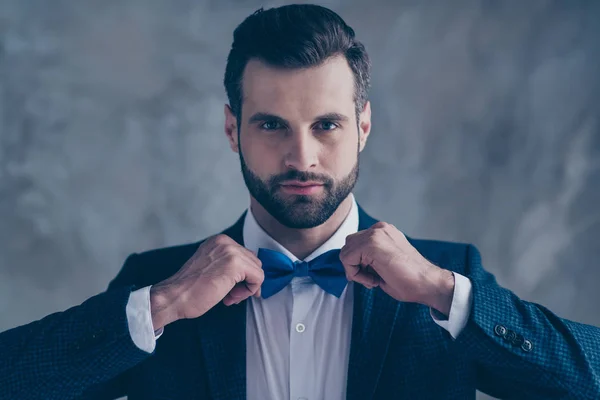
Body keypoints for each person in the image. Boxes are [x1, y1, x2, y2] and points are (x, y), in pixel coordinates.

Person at [1, 4, 599, 400]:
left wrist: (445, 294)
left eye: (327, 125)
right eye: (271, 126)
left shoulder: (448, 281)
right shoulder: (157, 286)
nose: (302, 156)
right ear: (233, 131)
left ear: (364, 125)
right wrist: (159, 306)